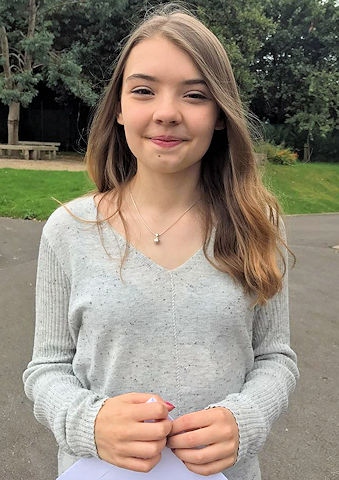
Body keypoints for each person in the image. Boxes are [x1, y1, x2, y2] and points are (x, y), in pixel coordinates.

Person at [23, 4, 299, 480]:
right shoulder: (68, 229)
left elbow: (276, 357)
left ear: (219, 114)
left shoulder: (257, 224)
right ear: (120, 108)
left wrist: (245, 418)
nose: (166, 113)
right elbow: (47, 367)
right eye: (144, 90)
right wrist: (87, 422)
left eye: (194, 95)